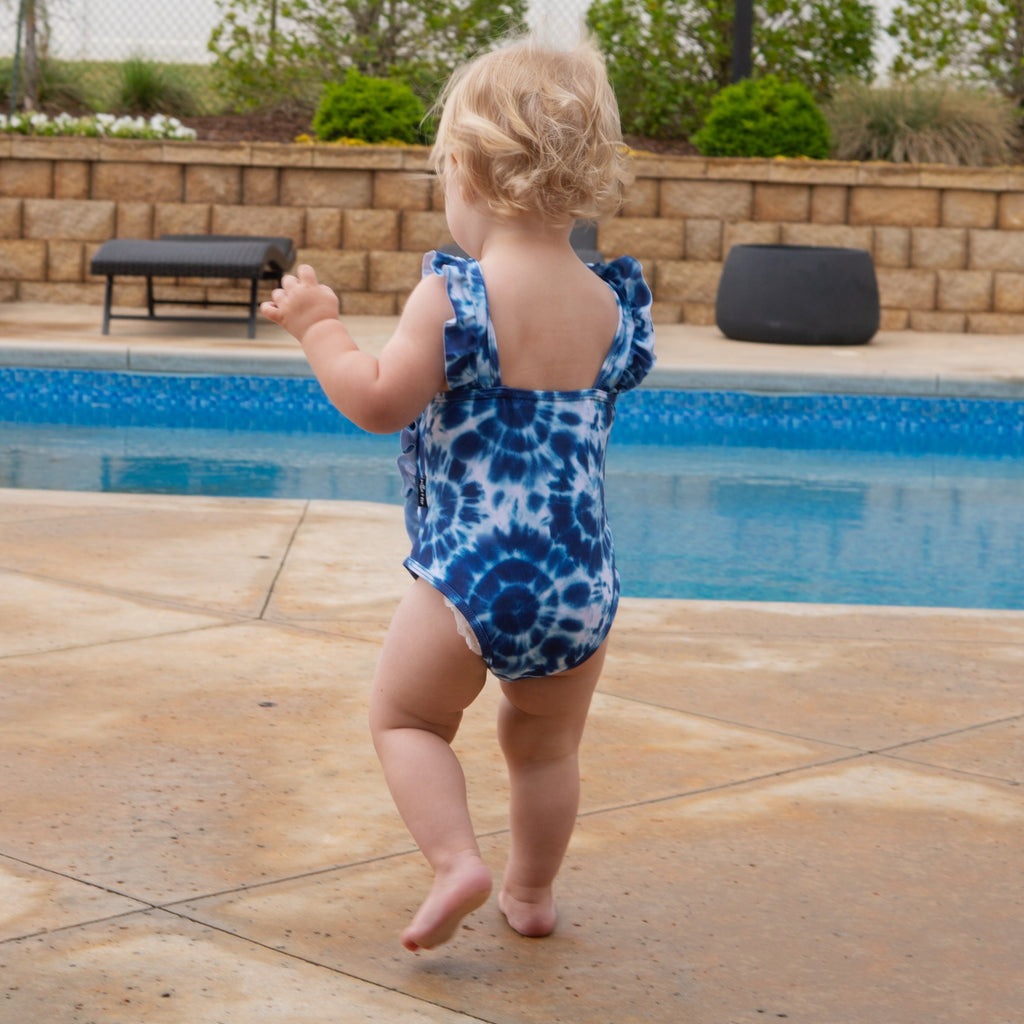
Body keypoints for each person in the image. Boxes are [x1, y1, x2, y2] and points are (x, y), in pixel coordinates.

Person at [260, 33, 655, 953]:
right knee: (547, 747)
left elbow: (377, 401)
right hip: (580, 586)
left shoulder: (458, 295)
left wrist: (320, 330)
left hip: (472, 573)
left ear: (471, 173)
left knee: (407, 720)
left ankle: (455, 863)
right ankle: (532, 892)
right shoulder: (610, 306)